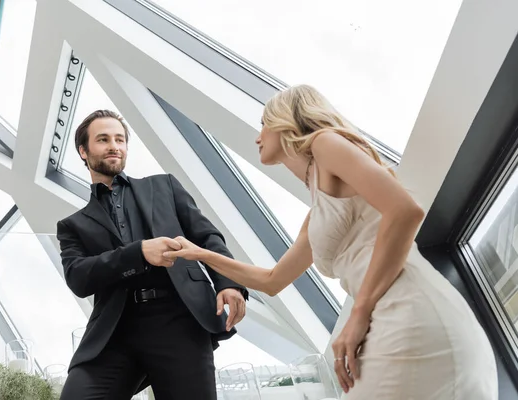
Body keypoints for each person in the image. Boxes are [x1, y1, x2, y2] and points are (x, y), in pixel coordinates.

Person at [163, 85, 498, 399]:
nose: (257, 136)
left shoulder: (325, 144)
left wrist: (359, 312)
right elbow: (272, 281)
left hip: (408, 308)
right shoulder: (318, 210)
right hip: (383, 319)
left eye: (264, 124)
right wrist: (199, 253)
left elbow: (406, 211)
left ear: (286, 122)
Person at [56, 110, 248, 400]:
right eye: (103, 139)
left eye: (120, 139)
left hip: (178, 320)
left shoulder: (164, 187)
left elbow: (206, 236)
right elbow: (78, 278)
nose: (114, 146)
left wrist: (228, 282)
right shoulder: (73, 225)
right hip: (114, 331)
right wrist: (139, 253)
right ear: (83, 151)